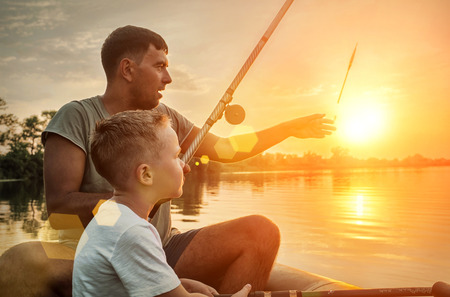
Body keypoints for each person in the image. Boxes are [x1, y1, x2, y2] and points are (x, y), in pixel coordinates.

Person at [3, 25, 338, 295]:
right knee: (27, 262)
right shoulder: (75, 116)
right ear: (128, 69)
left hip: (159, 245)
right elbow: (60, 209)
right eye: (160, 66)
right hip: (94, 252)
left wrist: (289, 129)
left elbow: (227, 151)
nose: (168, 77)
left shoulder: (165, 118)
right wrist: (139, 199)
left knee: (260, 232)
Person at [72, 109, 252, 297]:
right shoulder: (132, 231)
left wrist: (178, 284)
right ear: (146, 175)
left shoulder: (111, 214)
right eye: (175, 157)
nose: (184, 165)